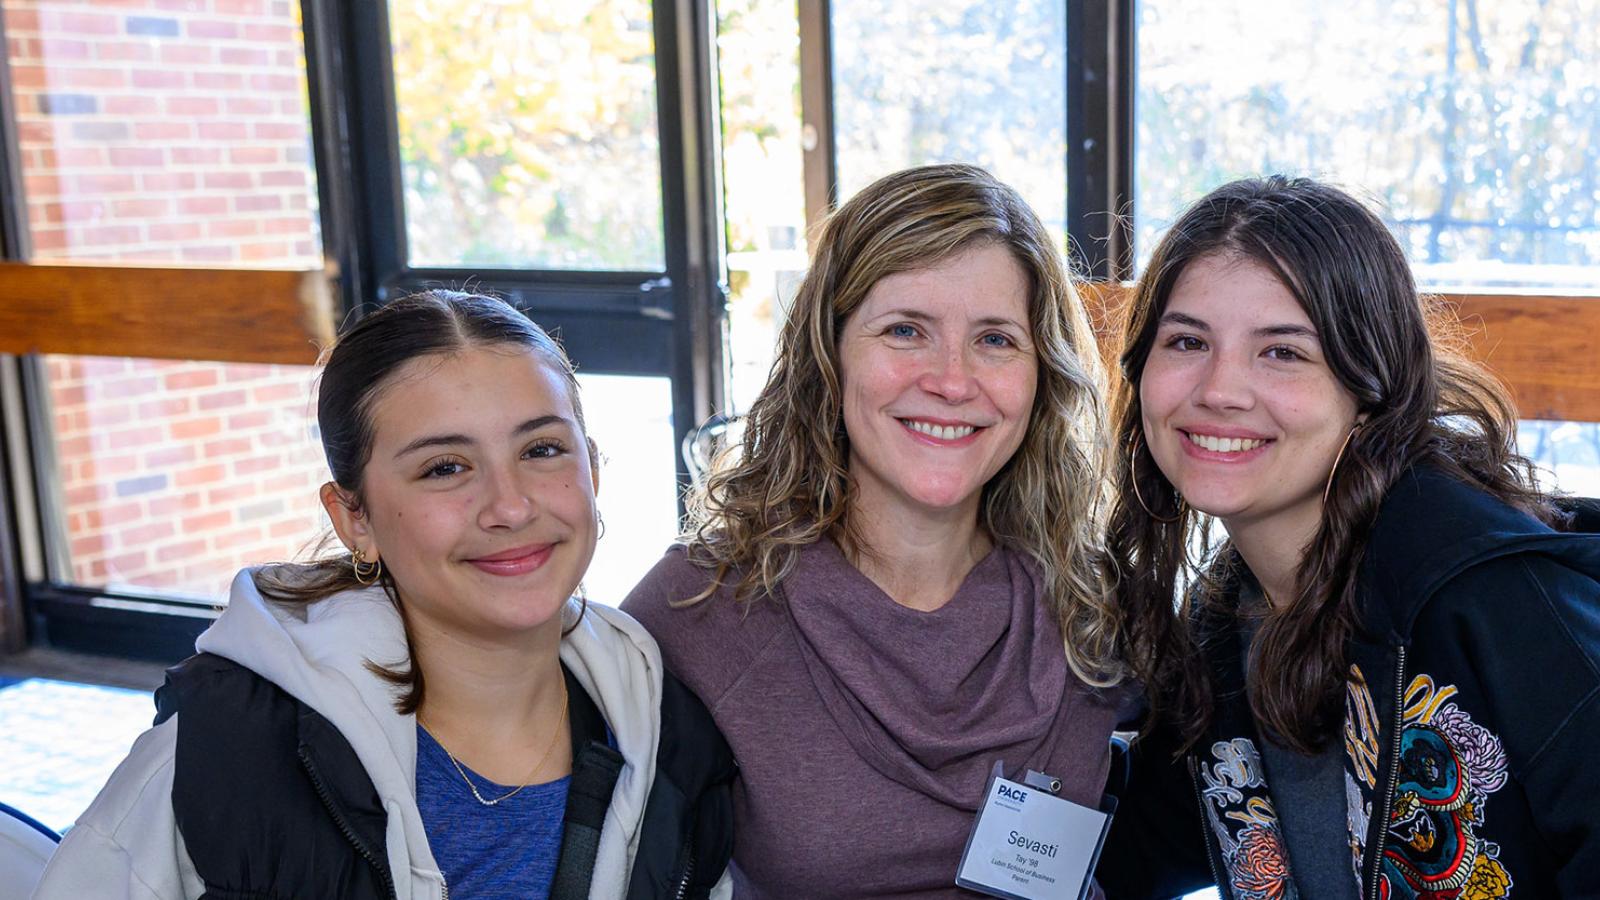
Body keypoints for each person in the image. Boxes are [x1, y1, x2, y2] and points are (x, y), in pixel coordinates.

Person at [34, 290, 735, 900]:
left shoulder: (674, 741)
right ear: (355, 519)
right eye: (445, 467)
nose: (511, 506)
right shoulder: (226, 747)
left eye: (542, 449)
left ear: (594, 470)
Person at [622, 163, 1137, 896]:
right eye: (905, 331)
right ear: (829, 355)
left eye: (994, 340)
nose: (953, 381)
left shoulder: (1091, 599)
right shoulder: (704, 607)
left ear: (1041, 373)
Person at [1095, 177, 1600, 898]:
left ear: (1370, 390)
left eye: (1282, 353)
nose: (1219, 389)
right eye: (1186, 342)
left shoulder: (1491, 593)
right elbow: (1127, 850)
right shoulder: (1225, 622)